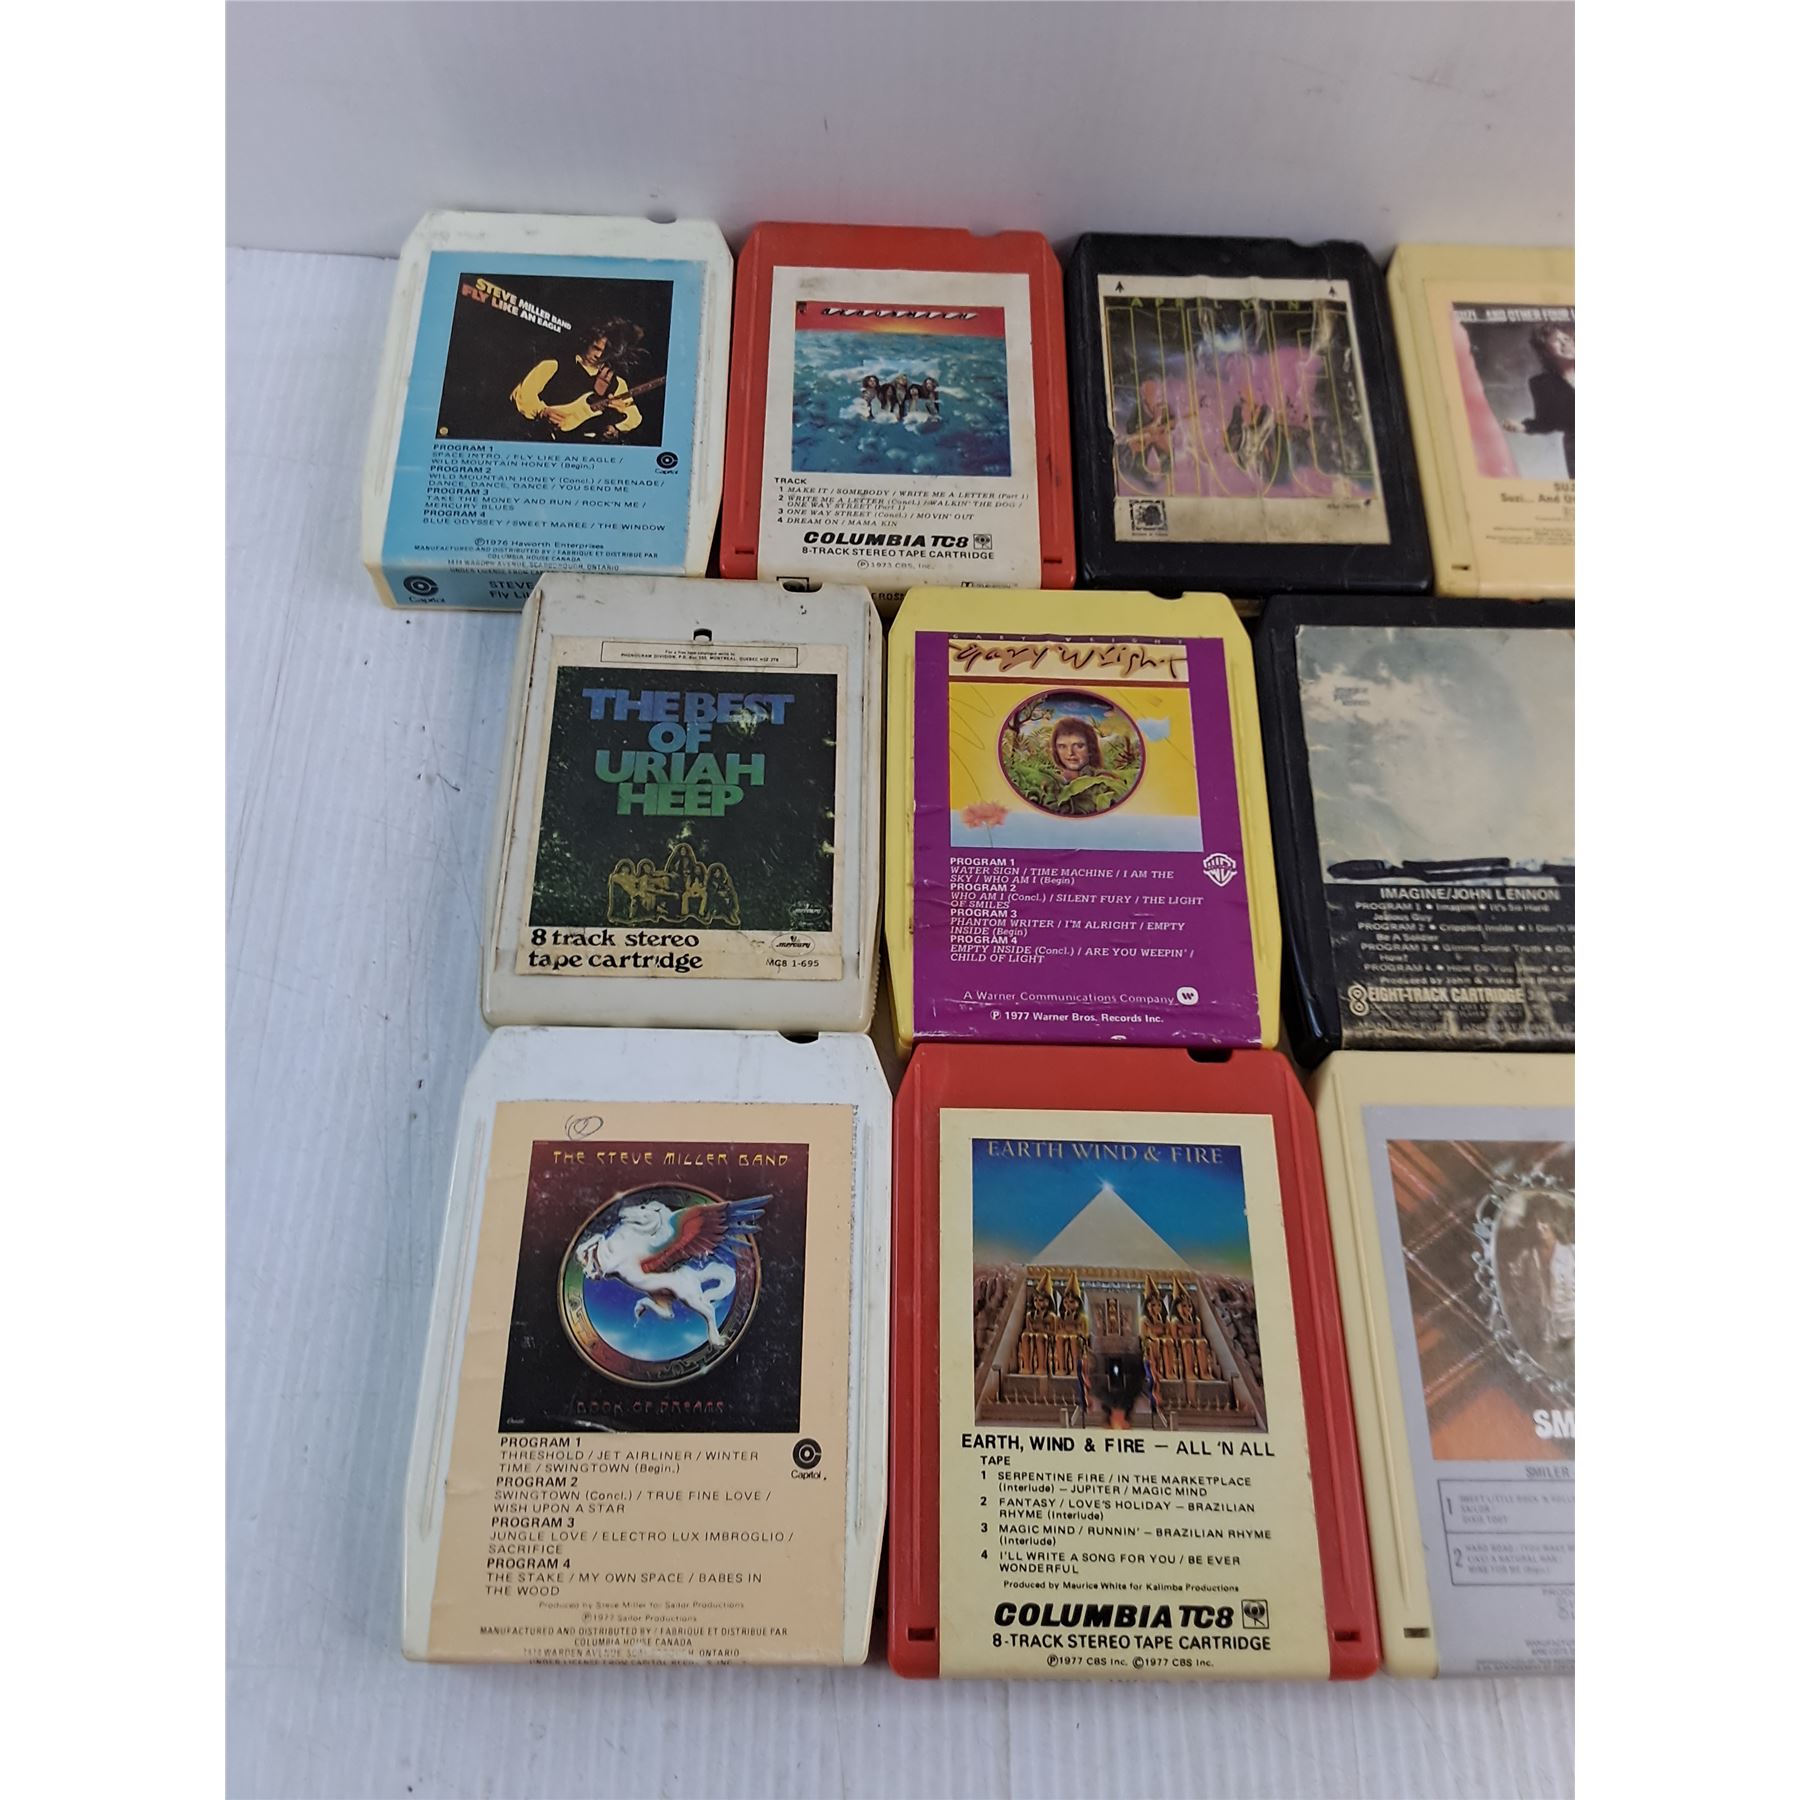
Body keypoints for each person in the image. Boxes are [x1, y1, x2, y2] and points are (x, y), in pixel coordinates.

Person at [511, 319, 645, 442]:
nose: (598, 356)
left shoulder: (617, 383)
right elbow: (522, 394)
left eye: (605, 353)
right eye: (596, 348)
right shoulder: (554, 365)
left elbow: (634, 417)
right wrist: (542, 411)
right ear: (587, 341)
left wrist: (616, 424)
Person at [1502, 320, 1575, 475]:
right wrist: (1523, 426)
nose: (1565, 343)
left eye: (1566, 338)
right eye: (1557, 341)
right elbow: (1546, 422)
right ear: (1546, 351)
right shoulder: (1541, 384)